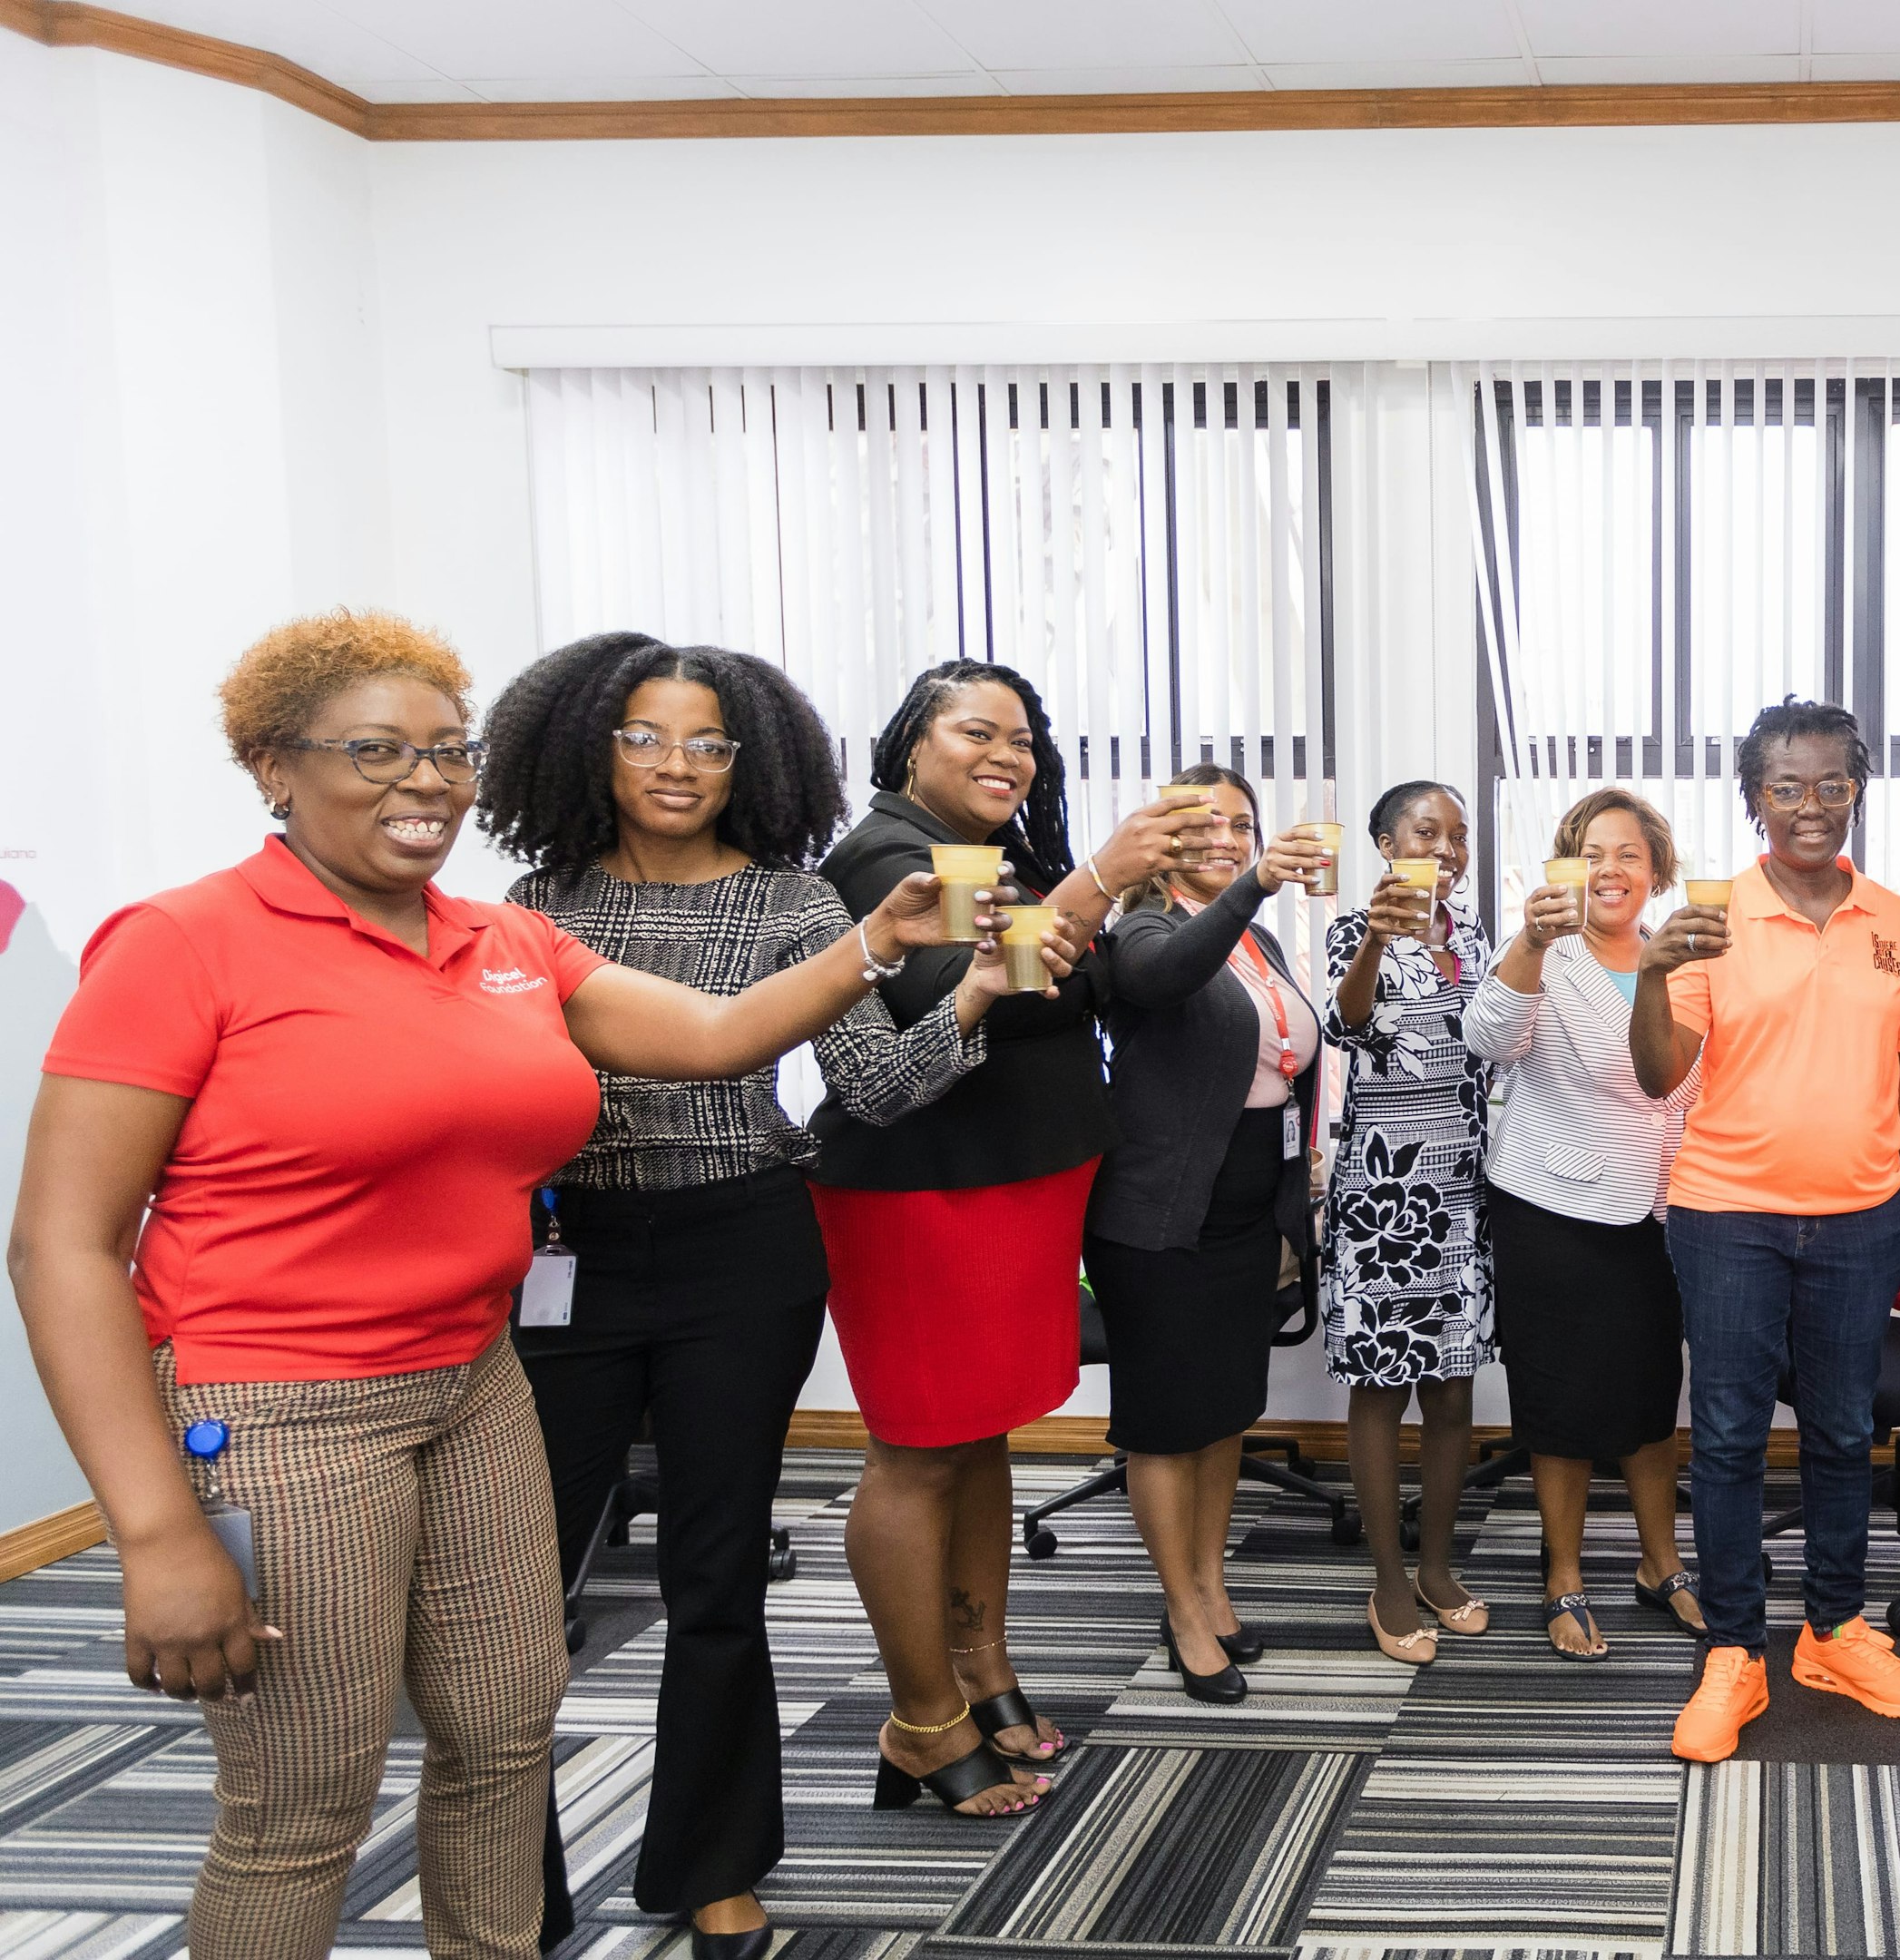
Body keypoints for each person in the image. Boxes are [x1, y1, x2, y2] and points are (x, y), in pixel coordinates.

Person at [6, 610, 971, 1960]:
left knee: (505, 1747)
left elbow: (712, 1036)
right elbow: (60, 1247)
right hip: (288, 1410)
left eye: (447, 754)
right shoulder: (181, 942)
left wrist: (878, 941)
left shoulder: (495, 940)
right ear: (273, 768)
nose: (427, 783)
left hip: (475, 1384)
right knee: (301, 1808)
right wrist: (158, 1531)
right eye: (377, 752)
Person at [475, 634, 1060, 1951]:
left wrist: (968, 994)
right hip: (570, 1252)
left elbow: (878, 1091)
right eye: (644, 736)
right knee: (519, 1596)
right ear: (589, 748)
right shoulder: (530, 908)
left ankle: (715, 1856)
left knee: (718, 1575)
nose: (678, 766)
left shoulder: (800, 904)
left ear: (754, 759)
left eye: (709, 743)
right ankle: (508, 1872)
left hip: (742, 1250)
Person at [805, 660, 1203, 1815]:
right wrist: (1095, 880)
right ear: (909, 746)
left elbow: (1055, 986)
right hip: (926, 1191)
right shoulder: (886, 856)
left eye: (1022, 739)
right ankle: (920, 1720)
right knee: (920, 1449)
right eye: (976, 732)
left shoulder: (1004, 854)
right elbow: (953, 990)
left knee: (978, 1439)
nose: (1007, 755)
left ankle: (983, 1675)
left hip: (1017, 1186)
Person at [1634, 697, 1900, 1763]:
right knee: (1724, 1437)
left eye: (1832, 784)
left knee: (1843, 1434)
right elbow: (1659, 1073)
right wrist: (1648, 969)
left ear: (1857, 789)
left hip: (1859, 1222)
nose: (1811, 807)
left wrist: (1892, 1191)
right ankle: (1734, 1651)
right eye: (1786, 786)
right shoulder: (1713, 921)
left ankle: (1835, 1631)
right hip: (1727, 1217)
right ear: (1754, 797)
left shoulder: (1898, 923)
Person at [1087, 765, 1332, 1704]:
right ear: (1160, 836)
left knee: (1227, 1411)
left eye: (1243, 824)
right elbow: (1161, 976)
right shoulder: (1138, 929)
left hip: (1248, 1208)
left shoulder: (1258, 938)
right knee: (1168, 1423)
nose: (1227, 836)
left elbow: (1287, 1058)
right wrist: (1256, 882)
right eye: (1205, 823)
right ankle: (1181, 1610)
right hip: (1160, 1212)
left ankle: (1210, 1586)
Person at [1469, 788, 1705, 1660]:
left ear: (1657, 872)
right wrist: (1530, 939)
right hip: (1553, 1209)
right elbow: (1489, 1038)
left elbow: (1686, 1087)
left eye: (1629, 855)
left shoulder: (1677, 955)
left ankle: (1659, 1564)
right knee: (1561, 1403)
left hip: (1657, 1210)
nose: (1611, 870)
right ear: (1567, 867)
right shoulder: (1548, 953)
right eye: (1592, 853)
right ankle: (1562, 1575)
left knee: (1651, 1397)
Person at [1324, 780, 1498, 1664]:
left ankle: (1436, 1565)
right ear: (1388, 843)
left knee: (1455, 1388)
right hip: (1388, 1190)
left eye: (1459, 835)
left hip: (1465, 1186)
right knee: (1382, 1385)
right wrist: (1382, 944)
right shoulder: (1355, 928)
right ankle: (1388, 1580)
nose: (1450, 848)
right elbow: (1347, 1026)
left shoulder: (1474, 937)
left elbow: (1499, 1044)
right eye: (1430, 831)